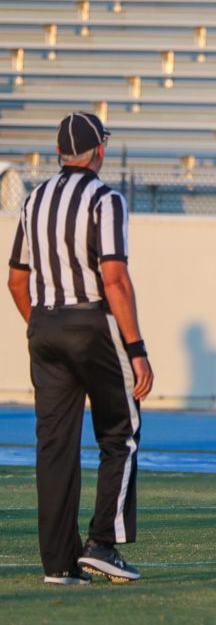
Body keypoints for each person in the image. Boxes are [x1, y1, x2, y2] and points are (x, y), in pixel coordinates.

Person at [7, 112, 153, 584]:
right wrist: (136, 349)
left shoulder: (35, 199)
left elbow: (16, 280)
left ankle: (59, 565)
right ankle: (102, 544)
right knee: (121, 431)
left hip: (45, 324)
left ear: (59, 153)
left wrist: (45, 325)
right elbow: (114, 278)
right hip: (91, 323)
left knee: (54, 447)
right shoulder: (105, 199)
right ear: (99, 151)